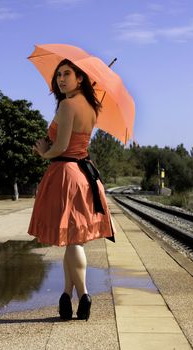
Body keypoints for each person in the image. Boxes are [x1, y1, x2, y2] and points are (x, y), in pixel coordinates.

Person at [28, 59, 114, 321]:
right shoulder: (90, 107)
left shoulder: (67, 105)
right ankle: (66, 296)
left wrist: (44, 153)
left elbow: (61, 147)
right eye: (59, 75)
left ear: (80, 78)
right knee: (70, 240)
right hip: (85, 174)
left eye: (67, 74)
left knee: (73, 240)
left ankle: (85, 295)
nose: (61, 79)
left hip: (67, 175)